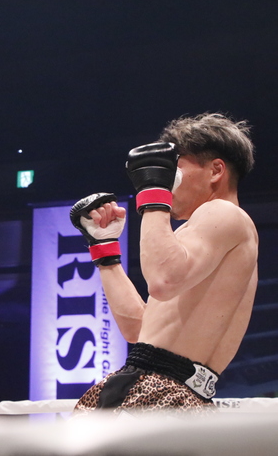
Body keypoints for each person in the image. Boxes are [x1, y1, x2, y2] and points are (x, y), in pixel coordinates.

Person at [69, 112, 258, 416]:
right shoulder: (206, 238)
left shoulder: (223, 213)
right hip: (177, 391)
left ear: (215, 171)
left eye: (174, 168)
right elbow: (139, 331)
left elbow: (163, 280)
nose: (169, 180)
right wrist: (106, 251)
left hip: (158, 389)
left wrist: (153, 193)